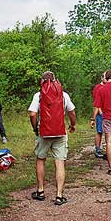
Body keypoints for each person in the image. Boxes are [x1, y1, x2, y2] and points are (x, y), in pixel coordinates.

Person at [28, 71, 76, 205]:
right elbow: (71, 112)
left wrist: (35, 128)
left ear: (42, 81)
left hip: (43, 133)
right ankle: (59, 196)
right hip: (60, 133)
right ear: (55, 80)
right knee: (59, 162)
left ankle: (40, 191)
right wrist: (73, 125)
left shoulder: (38, 95)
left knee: (40, 159)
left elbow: (32, 114)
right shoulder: (63, 94)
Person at [91, 73, 106, 158]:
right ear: (101, 78)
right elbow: (96, 102)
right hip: (100, 112)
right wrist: (100, 111)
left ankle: (107, 148)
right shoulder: (98, 87)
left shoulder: (108, 87)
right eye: (104, 77)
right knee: (99, 131)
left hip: (108, 112)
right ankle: (97, 148)